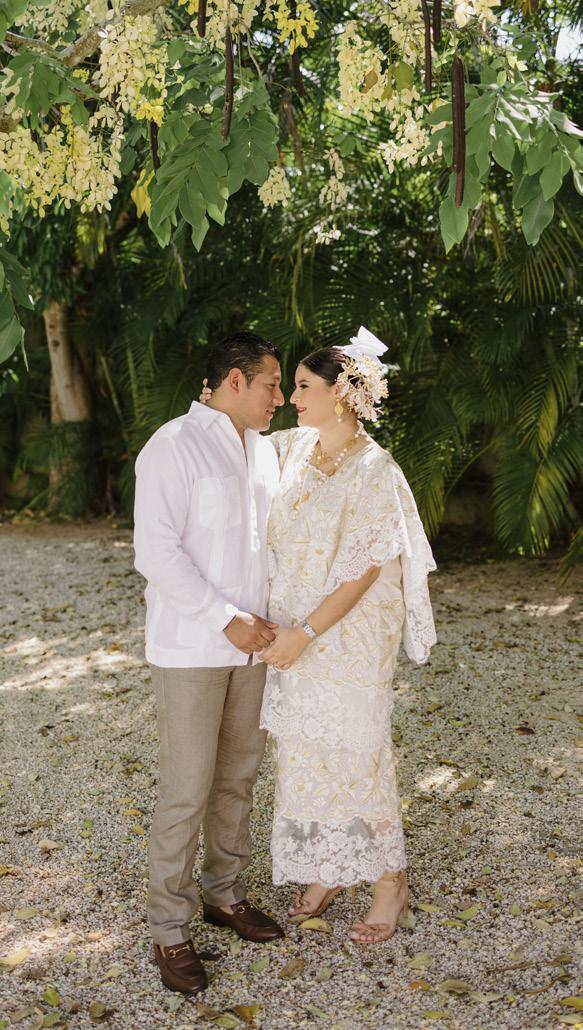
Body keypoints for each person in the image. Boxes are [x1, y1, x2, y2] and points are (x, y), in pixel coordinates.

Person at [257, 328, 437, 943]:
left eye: (303, 386)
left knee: (358, 753)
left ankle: (390, 881)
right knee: (303, 752)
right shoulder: (289, 448)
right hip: (291, 627)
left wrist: (306, 633)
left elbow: (364, 569)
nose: (291, 398)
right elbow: (232, 445)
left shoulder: (375, 469)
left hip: (349, 633)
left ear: (340, 393)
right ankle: (328, 866)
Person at [133, 331, 286, 996]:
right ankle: (169, 927)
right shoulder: (172, 445)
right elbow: (155, 551)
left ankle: (225, 894)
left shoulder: (267, 452)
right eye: (271, 384)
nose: (279, 397)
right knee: (186, 789)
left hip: (254, 648)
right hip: (192, 646)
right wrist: (226, 617)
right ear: (234, 381)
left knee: (238, 780)